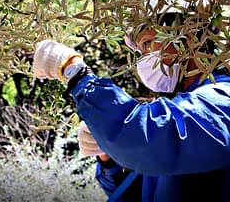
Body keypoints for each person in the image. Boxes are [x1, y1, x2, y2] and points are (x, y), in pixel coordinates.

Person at [32, 12, 230, 202]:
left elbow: (149, 135)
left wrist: (74, 71)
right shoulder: (185, 105)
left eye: (146, 43)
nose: (142, 59)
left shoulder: (223, 100)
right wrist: (109, 159)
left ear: (187, 33)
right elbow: (137, 194)